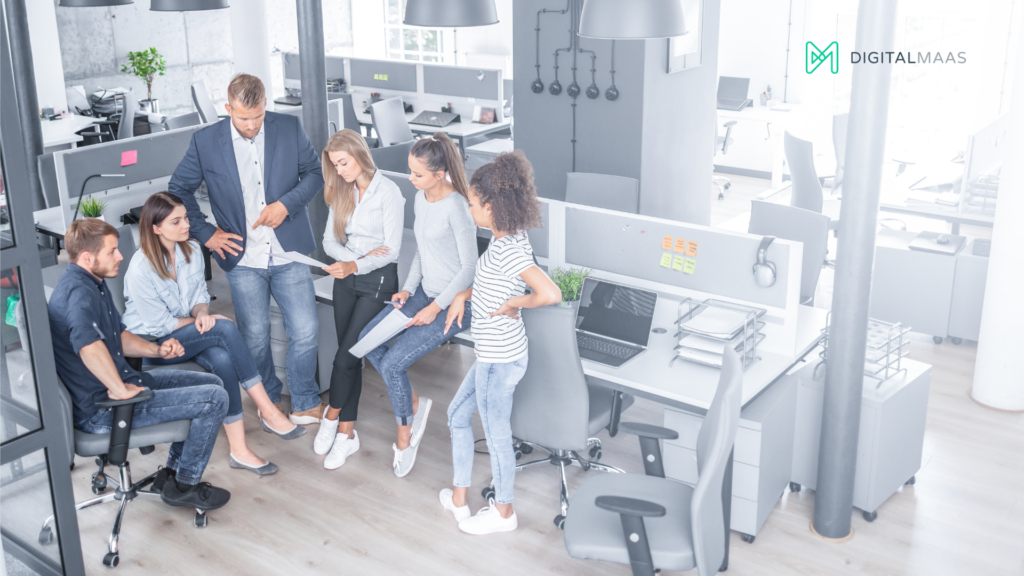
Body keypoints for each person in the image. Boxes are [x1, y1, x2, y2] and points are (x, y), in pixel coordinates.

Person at [169, 73, 326, 426]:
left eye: (257, 116)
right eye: (243, 118)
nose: (252, 125)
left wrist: (287, 204)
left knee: (305, 329)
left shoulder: (288, 127)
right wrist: (207, 234)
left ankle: (304, 400)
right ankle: (267, 398)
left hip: (289, 251)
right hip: (241, 257)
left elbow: (314, 173)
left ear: (265, 104)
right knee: (254, 335)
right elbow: (179, 189)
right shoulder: (206, 142)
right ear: (228, 109)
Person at [48, 219, 231, 510]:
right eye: (112, 251)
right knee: (214, 399)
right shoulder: (78, 293)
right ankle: (185, 485)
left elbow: (117, 337)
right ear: (87, 257)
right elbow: (88, 346)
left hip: (124, 382)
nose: (120, 256)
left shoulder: (93, 282)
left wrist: (157, 350)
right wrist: (119, 389)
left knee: (213, 383)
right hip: (103, 409)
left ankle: (169, 476)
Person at [122, 192, 307, 476]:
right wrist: (207, 322)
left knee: (221, 356)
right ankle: (268, 410)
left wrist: (204, 314)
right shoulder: (140, 268)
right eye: (176, 221)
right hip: (154, 347)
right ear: (155, 228)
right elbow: (160, 326)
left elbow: (199, 297)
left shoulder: (193, 250)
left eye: (186, 218)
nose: (186, 225)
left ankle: (239, 450)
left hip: (186, 332)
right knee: (225, 327)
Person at [438, 151, 561, 535]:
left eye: (473, 204)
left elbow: (550, 293)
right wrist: (464, 295)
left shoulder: (508, 249)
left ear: (490, 207)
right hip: (492, 357)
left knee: (495, 435)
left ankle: (504, 513)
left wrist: (517, 303)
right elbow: (494, 285)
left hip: (499, 361)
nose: (470, 210)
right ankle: (459, 499)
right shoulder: (507, 237)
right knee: (457, 416)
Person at [358, 133, 477, 478]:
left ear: (440, 174)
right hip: (425, 293)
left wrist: (435, 307)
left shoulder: (457, 207)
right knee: (368, 341)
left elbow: (469, 269)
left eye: (418, 174)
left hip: (455, 303)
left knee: (393, 366)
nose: (411, 180)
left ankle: (405, 435)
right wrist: (409, 290)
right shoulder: (422, 199)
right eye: (409, 172)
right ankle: (411, 402)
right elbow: (424, 252)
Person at [313, 129, 404, 470]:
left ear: (359, 154)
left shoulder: (389, 193)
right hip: (346, 281)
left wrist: (356, 261)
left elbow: (391, 250)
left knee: (346, 356)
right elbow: (329, 240)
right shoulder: (342, 191)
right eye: (335, 165)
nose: (340, 171)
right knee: (349, 359)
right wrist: (348, 258)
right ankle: (347, 436)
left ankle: (331, 417)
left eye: (344, 162)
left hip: (377, 283)